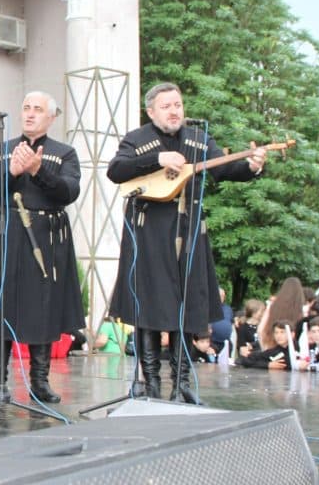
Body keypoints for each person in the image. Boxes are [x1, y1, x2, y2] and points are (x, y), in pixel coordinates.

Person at [107, 82, 266, 404]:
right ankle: (151, 382)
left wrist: (250, 167)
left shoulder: (198, 138)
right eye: (166, 106)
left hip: (189, 230)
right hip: (149, 235)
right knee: (149, 307)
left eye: (177, 105)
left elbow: (224, 167)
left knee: (186, 306)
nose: (174, 111)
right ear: (151, 111)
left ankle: (181, 383)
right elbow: (116, 170)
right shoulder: (137, 139)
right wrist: (158, 158)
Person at [0, 92, 84, 405]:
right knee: (0, 305)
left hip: (45, 238)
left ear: (51, 117)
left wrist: (38, 170)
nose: (30, 114)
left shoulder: (64, 153)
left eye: (38, 109)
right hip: (5, 234)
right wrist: (10, 172)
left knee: (42, 307)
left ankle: (40, 381)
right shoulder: (0, 150)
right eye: (26, 108)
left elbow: (69, 191)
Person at [258, 277, 307, 350]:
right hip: (293, 350)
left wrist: (265, 348)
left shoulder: (272, 306)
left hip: (271, 346)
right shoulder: (303, 310)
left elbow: (260, 330)